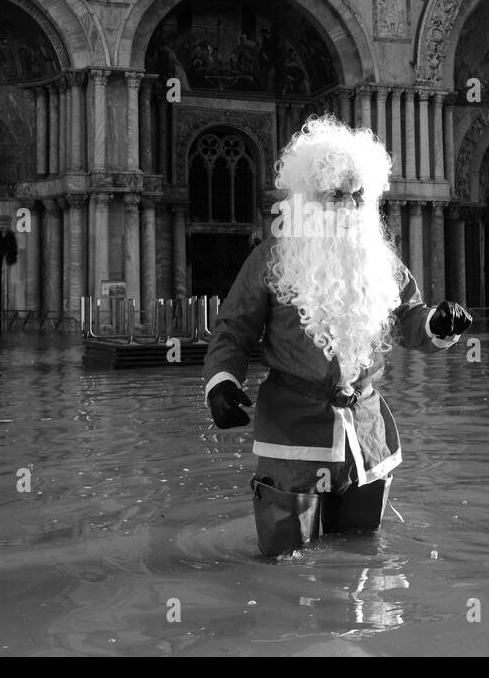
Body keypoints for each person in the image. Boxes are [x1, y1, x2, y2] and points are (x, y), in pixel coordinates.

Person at [202, 117, 474, 558]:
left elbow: (408, 316)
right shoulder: (272, 257)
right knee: (282, 563)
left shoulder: (380, 260)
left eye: (358, 195)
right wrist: (222, 382)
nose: (349, 205)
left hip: (366, 435)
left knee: (361, 555)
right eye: (337, 195)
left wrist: (436, 325)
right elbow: (233, 328)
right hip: (292, 432)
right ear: (309, 198)